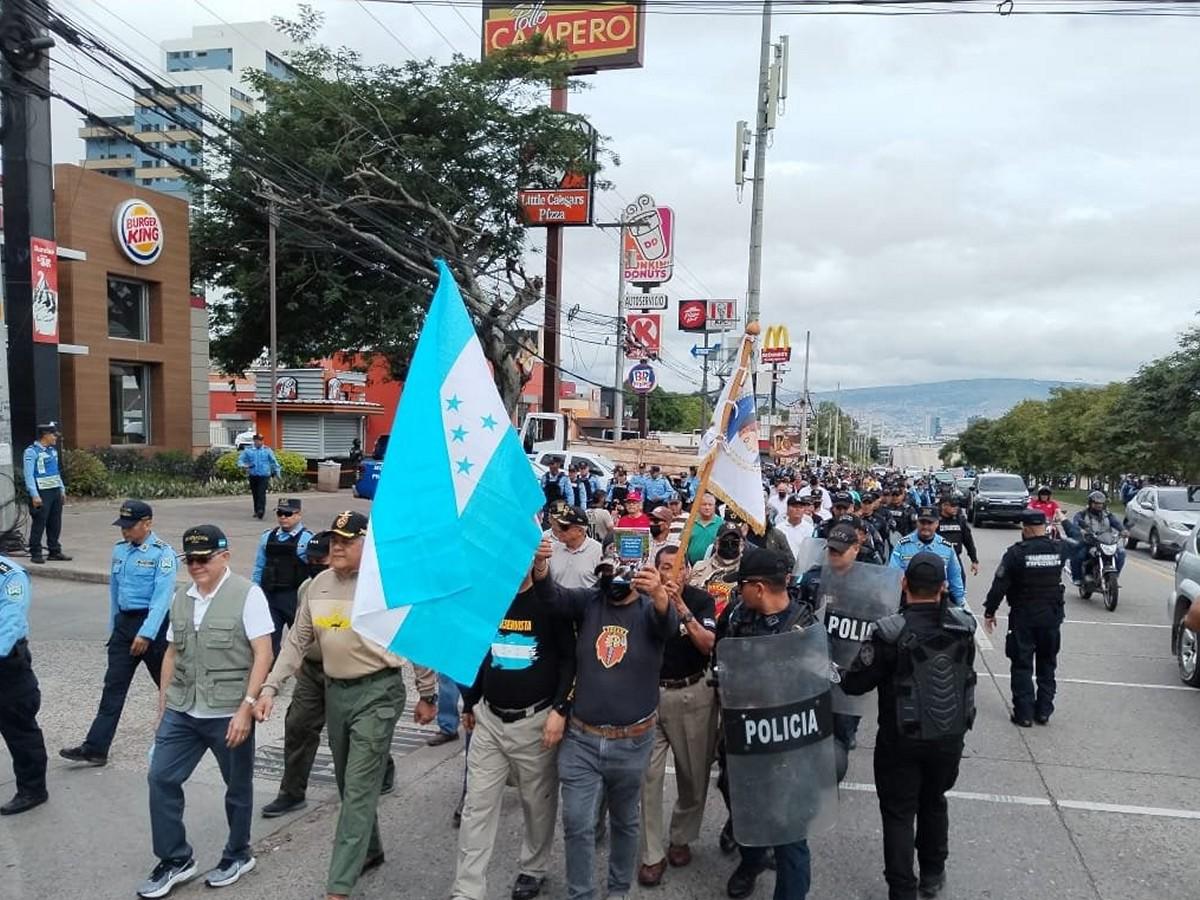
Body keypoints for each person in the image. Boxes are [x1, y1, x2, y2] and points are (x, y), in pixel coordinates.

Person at [255, 510, 438, 900]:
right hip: (335, 692)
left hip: (378, 693)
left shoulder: (386, 586)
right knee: (345, 780)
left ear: (366, 546)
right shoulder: (318, 584)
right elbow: (297, 642)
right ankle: (369, 851)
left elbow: (415, 639)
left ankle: (338, 886)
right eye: (334, 540)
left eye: (346, 541)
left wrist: (428, 694)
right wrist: (271, 686)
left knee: (356, 788)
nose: (337, 547)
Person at [530, 535, 677, 900]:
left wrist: (659, 594)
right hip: (581, 738)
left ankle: (617, 890)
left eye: (618, 574)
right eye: (605, 574)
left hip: (633, 741)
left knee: (626, 822)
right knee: (577, 822)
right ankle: (581, 893)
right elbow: (553, 599)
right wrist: (541, 567)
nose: (612, 581)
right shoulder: (591, 602)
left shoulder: (648, 608)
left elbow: (668, 626)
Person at [139, 525, 274, 898]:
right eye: (191, 560)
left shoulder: (248, 595)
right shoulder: (182, 596)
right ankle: (175, 858)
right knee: (161, 778)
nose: (196, 566)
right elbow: (172, 652)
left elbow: (264, 653)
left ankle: (237, 853)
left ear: (224, 556)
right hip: (183, 709)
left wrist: (246, 708)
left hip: (227, 710)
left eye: (203, 558)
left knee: (237, 786)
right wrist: (163, 702)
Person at [841, 553, 977, 900]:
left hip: (900, 738)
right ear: (944, 587)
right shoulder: (963, 627)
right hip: (948, 735)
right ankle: (932, 873)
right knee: (934, 800)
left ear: (904, 584)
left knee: (899, 812)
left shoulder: (890, 631)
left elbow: (856, 684)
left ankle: (902, 889)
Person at [450, 551, 577, 900]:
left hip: (535, 722)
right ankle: (467, 889)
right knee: (477, 805)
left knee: (537, 803)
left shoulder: (550, 602)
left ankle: (533, 869)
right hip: (490, 720)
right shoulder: (487, 600)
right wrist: (471, 701)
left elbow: (570, 659)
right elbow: (477, 654)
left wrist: (560, 709)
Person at [260, 532, 395, 818]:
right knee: (298, 726)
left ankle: (383, 767)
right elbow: (298, 637)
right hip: (312, 670)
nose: (317, 565)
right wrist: (274, 683)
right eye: (310, 560)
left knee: (359, 736)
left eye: (319, 560)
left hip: (352, 674)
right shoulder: (311, 587)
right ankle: (292, 792)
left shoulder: (372, 586)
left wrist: (426, 688)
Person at [716, 548, 819, 900]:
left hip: (787, 746)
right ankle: (751, 861)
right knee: (743, 808)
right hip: (742, 737)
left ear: (759, 587)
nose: (737, 591)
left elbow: (819, 694)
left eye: (741, 584)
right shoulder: (736, 617)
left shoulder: (806, 630)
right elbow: (720, 659)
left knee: (791, 835)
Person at [61, 501, 176, 767]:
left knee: (169, 688)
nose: (124, 532)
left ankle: (181, 740)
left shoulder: (163, 554)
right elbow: (115, 593)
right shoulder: (120, 551)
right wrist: (114, 630)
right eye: (122, 526)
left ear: (147, 524)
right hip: (125, 625)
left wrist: (146, 634)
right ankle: (96, 748)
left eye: (130, 526)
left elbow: (162, 599)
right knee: (113, 688)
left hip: (153, 627)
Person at [637, 546, 717, 887]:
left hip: (692, 695)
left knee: (693, 777)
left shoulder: (701, 600)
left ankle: (681, 837)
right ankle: (651, 854)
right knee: (648, 780)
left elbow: (707, 644)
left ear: (687, 571)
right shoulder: (642, 601)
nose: (670, 573)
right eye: (664, 567)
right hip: (650, 696)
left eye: (676, 567)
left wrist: (680, 607)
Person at [983, 509, 1076, 727]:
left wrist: (990, 612)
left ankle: (1024, 714)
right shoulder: (1059, 548)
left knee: (1022, 664)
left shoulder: (1016, 553)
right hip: (1051, 618)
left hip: (1023, 617)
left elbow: (999, 585)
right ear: (1044, 527)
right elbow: (1079, 540)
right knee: (1047, 664)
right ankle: (1043, 711)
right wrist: (1065, 522)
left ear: (1025, 529)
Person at [0, 555, 48, 815]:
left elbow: (10, 624)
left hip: (7, 663)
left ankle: (33, 789)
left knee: (19, 726)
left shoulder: (10, 574)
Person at [252, 498, 313, 658]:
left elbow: (314, 571)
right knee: (269, 640)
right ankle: (270, 676)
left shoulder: (306, 539)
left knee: (301, 640)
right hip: (270, 596)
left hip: (295, 598)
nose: (283, 517)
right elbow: (259, 567)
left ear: (298, 515)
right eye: (280, 513)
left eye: (288, 513)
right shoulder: (267, 537)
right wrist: (255, 593)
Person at [889, 508, 965, 607]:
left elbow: (955, 577)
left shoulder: (946, 547)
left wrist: (960, 603)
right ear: (917, 522)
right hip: (909, 602)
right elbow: (893, 575)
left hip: (938, 603)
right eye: (922, 522)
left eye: (930, 523)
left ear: (937, 524)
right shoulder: (902, 545)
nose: (925, 526)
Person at [23, 422, 70, 564]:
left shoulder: (52, 451)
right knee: (40, 522)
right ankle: (35, 551)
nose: (56, 438)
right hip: (41, 492)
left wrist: (62, 489)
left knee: (55, 522)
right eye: (53, 435)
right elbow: (29, 475)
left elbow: (56, 472)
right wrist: (34, 495)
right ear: (45, 435)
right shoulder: (31, 452)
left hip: (54, 490)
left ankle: (54, 550)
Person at [1069, 491, 1125, 585]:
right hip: (1088, 542)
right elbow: (1075, 524)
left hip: (1106, 542)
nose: (1099, 506)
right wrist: (1080, 530)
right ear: (1090, 503)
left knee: (1121, 553)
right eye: (1096, 503)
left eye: (1101, 503)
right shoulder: (1082, 514)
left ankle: (1114, 576)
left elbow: (1116, 523)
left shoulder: (1107, 515)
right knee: (1078, 555)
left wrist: (1123, 530)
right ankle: (1077, 577)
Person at [689, 523, 743, 618]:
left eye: (734, 543)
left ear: (741, 545)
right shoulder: (699, 567)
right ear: (716, 543)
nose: (729, 546)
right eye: (725, 542)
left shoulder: (747, 571)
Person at [549, 506, 604, 589]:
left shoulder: (599, 551)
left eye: (564, 527)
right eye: (558, 525)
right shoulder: (551, 549)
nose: (558, 529)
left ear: (580, 531)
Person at [935, 494, 979, 586]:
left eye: (956, 506)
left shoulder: (960, 520)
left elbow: (968, 541)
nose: (956, 508)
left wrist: (974, 560)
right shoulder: (934, 521)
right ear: (943, 506)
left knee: (960, 583)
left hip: (954, 558)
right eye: (952, 506)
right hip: (937, 559)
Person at [237, 434, 281, 520]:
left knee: (261, 493)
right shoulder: (248, 450)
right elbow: (240, 461)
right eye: (257, 441)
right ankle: (256, 510)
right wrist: (244, 465)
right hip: (253, 475)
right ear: (254, 441)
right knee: (255, 493)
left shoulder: (267, 450)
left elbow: (273, 462)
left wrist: (277, 472)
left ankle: (261, 510)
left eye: (260, 440)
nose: (259, 442)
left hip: (264, 475)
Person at [776, 495, 816, 564]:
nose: (797, 509)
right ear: (788, 509)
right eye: (794, 507)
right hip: (784, 567)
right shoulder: (779, 529)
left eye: (801, 507)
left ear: (804, 510)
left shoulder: (810, 529)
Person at [686, 493, 724, 564]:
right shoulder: (690, 521)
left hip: (712, 566)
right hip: (691, 566)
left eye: (710, 505)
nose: (707, 507)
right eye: (704, 504)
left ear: (714, 507)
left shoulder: (721, 524)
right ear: (698, 506)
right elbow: (684, 544)